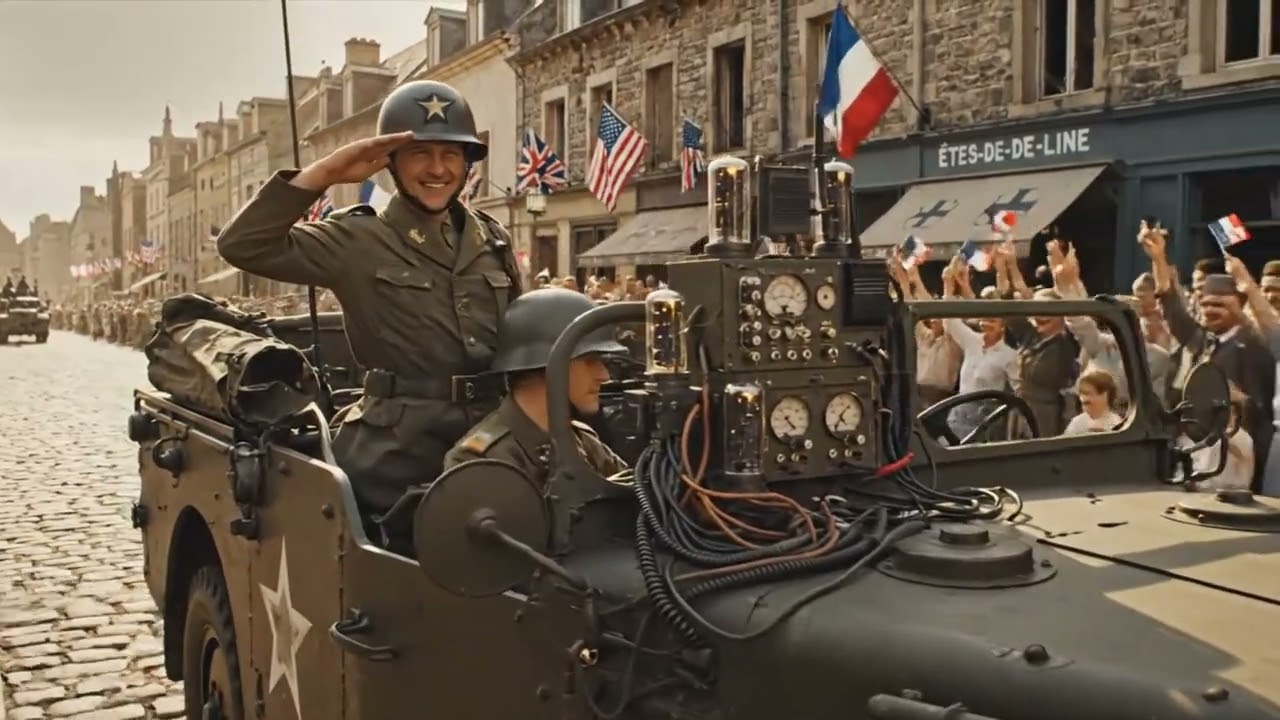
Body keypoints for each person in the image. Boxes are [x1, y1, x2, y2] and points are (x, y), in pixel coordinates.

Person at [215, 80, 522, 518]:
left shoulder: (492, 238)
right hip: (394, 453)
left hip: (492, 440)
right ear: (391, 161)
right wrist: (327, 173)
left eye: (451, 154)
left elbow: (520, 338)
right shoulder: (358, 238)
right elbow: (243, 245)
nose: (438, 169)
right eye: (420, 153)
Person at [443, 288, 628, 482]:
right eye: (590, 360)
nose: (604, 375)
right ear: (546, 364)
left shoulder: (582, 441)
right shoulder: (481, 462)